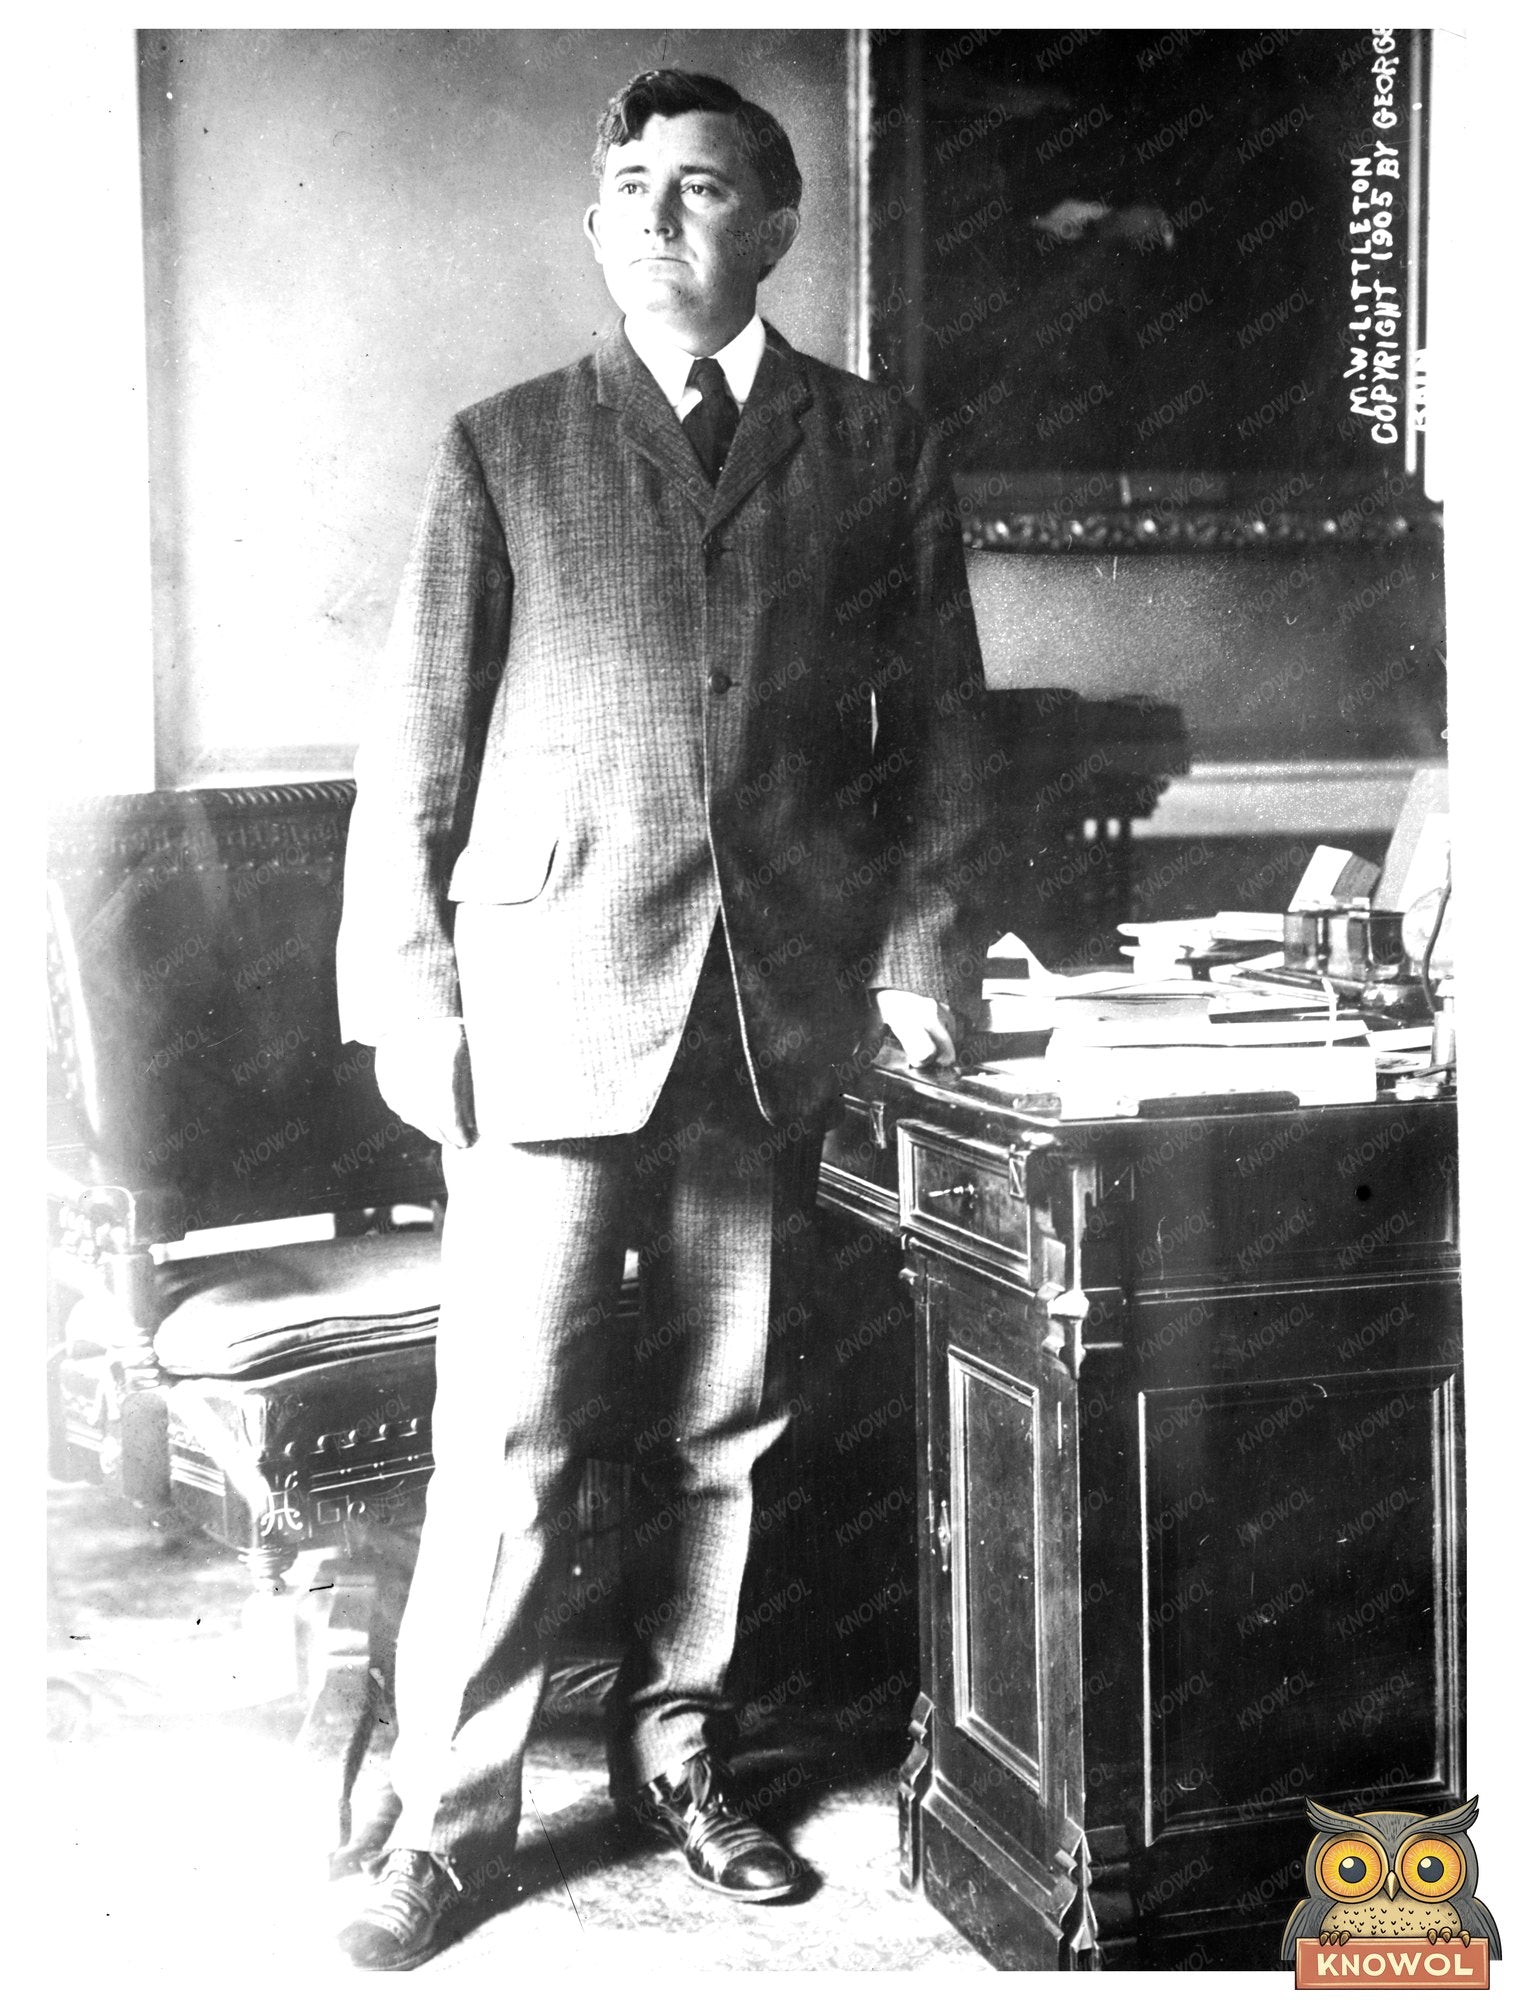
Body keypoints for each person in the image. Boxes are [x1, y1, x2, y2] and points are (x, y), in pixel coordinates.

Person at [334, 66, 988, 1970]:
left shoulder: (874, 449)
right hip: (545, 1005)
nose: (653, 214)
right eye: (627, 185)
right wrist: (406, 995)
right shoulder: (506, 446)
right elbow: (412, 759)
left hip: (769, 1008)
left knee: (726, 1427)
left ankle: (677, 1756)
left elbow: (946, 745)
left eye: (700, 188)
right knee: (515, 1432)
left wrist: (916, 960)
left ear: (777, 228)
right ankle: (448, 1826)